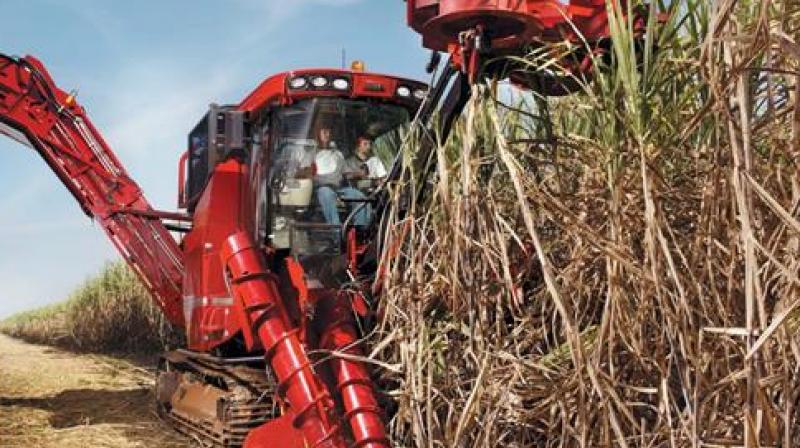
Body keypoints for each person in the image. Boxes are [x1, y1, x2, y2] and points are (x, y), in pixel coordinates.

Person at [311, 127, 370, 227]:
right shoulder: (311, 153)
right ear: (317, 134)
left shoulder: (338, 154)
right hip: (321, 188)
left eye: (328, 131)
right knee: (326, 194)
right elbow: (302, 172)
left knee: (360, 197)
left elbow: (346, 173)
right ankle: (336, 232)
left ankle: (360, 230)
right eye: (324, 131)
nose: (327, 134)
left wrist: (359, 174)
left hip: (339, 189)